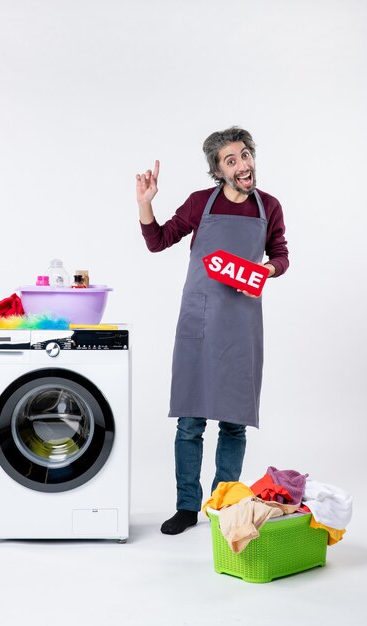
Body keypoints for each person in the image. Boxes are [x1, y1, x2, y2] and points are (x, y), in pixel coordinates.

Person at [136, 127, 289, 535]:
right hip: (199, 321)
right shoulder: (200, 203)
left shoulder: (268, 206)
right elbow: (160, 240)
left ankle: (223, 506)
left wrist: (264, 270)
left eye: (245, 156)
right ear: (218, 171)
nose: (243, 165)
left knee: (234, 422)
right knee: (190, 421)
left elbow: (280, 254)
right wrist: (145, 205)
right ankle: (187, 505)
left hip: (241, 321)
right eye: (231, 160)